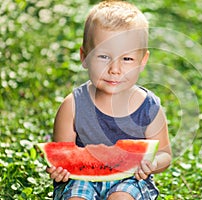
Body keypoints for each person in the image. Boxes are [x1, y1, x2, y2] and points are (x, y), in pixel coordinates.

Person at [46, 1, 172, 199]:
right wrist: (59, 170)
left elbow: (165, 154)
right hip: (81, 179)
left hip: (131, 180)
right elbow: (64, 157)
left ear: (142, 61)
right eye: (104, 56)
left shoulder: (149, 107)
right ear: (84, 57)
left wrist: (153, 163)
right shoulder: (72, 106)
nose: (115, 69)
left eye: (127, 59)